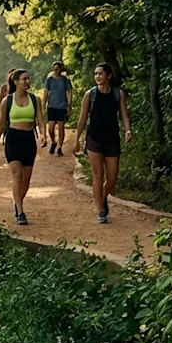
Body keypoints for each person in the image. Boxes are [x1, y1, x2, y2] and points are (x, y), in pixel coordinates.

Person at [72, 63, 132, 224]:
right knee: (98, 175)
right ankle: (100, 211)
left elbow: (124, 115)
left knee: (112, 178)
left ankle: (103, 196)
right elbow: (82, 119)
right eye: (95, 74)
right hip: (94, 138)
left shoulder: (118, 94)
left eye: (100, 74)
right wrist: (77, 139)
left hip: (112, 139)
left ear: (109, 75)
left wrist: (128, 130)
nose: (97, 76)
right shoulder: (90, 95)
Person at [0, 69, 47, 225]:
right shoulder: (7, 101)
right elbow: (1, 123)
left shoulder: (35, 99)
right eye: (23, 79)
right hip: (13, 139)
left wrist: (43, 135)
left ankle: (17, 202)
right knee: (17, 176)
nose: (27, 82)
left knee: (26, 180)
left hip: (29, 139)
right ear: (15, 81)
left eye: (28, 79)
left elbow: (41, 120)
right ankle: (20, 212)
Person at [42, 61, 74, 156]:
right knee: (50, 129)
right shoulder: (50, 80)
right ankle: (53, 142)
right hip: (52, 106)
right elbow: (46, 91)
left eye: (57, 69)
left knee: (61, 128)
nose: (56, 71)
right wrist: (43, 104)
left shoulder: (65, 80)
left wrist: (69, 106)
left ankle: (60, 147)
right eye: (54, 69)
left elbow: (69, 92)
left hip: (62, 106)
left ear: (61, 69)